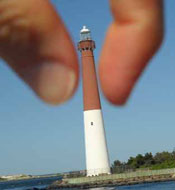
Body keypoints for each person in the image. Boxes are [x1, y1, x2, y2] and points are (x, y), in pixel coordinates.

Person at [0, 0, 164, 105]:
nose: (85, 37)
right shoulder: (87, 46)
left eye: (85, 35)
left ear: (86, 41)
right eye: (84, 35)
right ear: (84, 41)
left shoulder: (85, 46)